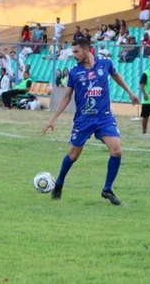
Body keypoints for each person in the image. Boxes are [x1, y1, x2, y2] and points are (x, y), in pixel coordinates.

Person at [42, 38, 140, 205]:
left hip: (104, 117)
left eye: (76, 52)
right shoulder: (74, 73)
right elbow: (67, 96)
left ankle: (107, 189)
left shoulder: (105, 64)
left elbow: (116, 75)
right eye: (73, 52)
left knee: (116, 150)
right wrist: (54, 117)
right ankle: (59, 183)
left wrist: (130, 92)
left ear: (87, 50)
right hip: (83, 120)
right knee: (73, 155)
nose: (73, 55)